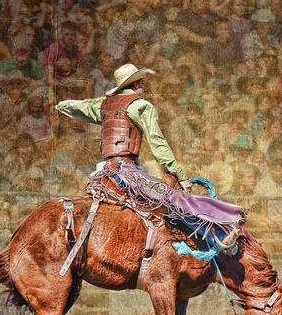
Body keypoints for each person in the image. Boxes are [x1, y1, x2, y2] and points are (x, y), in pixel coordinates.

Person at [56, 63, 247, 248]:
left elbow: (73, 106)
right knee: (174, 199)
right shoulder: (141, 106)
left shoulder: (102, 105)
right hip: (126, 171)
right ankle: (223, 230)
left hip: (104, 171)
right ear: (137, 85)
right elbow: (158, 143)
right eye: (141, 83)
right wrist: (180, 175)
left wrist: (58, 105)